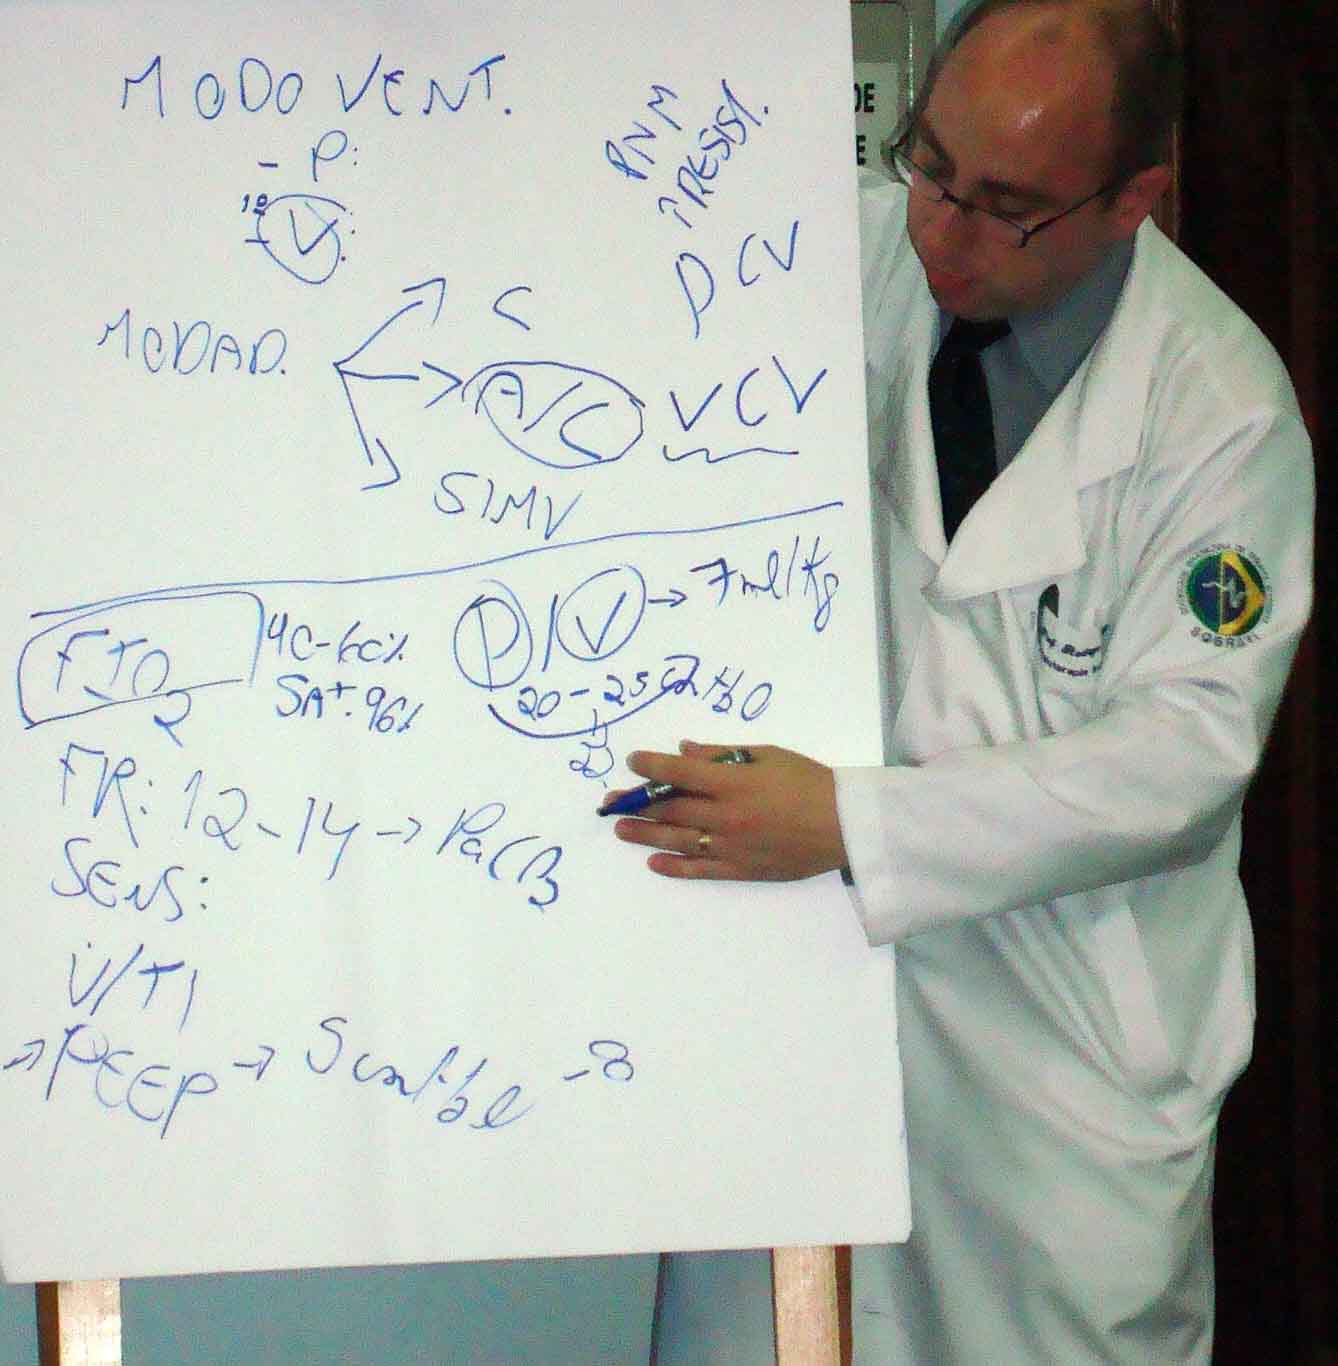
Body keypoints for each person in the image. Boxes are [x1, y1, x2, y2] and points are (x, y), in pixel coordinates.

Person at [615, 0, 1315, 1361]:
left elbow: (1182, 756)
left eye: (1004, 207)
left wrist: (856, 826)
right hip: (799, 981)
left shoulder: (1219, 414)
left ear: (1131, 201)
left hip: (1057, 1054)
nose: (939, 228)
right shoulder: (821, 266)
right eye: (929, 166)